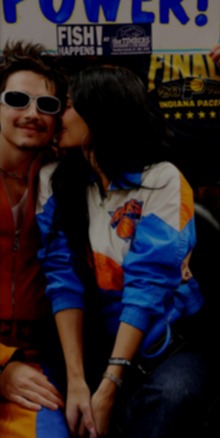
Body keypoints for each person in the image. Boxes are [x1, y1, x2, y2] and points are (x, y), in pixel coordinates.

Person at [36, 64, 213, 437]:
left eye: (68, 105)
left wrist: (109, 385)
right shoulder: (55, 180)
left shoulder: (161, 178)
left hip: (168, 344)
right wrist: (78, 381)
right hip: (95, 344)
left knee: (170, 398)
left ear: (100, 111)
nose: (58, 116)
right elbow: (62, 282)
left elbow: (147, 287)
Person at [0, 40, 70, 437]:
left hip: (45, 358)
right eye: (18, 99)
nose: (32, 114)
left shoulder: (72, 184)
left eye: (47, 106)